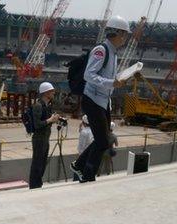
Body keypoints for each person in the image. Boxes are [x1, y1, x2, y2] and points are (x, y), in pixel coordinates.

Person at [71, 15, 132, 182]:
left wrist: (118, 80)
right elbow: (89, 74)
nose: (125, 38)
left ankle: (78, 166)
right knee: (103, 141)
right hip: (93, 100)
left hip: (103, 101)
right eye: (124, 34)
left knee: (103, 139)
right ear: (117, 33)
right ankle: (87, 173)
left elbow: (107, 78)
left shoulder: (114, 54)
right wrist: (112, 82)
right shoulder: (102, 50)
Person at [29, 82, 60, 189]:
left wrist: (54, 120)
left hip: (45, 138)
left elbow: (46, 122)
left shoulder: (47, 106)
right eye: (52, 91)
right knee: (37, 164)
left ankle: (38, 184)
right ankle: (34, 186)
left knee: (42, 163)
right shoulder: (38, 106)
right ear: (46, 92)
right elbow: (37, 125)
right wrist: (50, 120)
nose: (54, 93)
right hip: (39, 139)